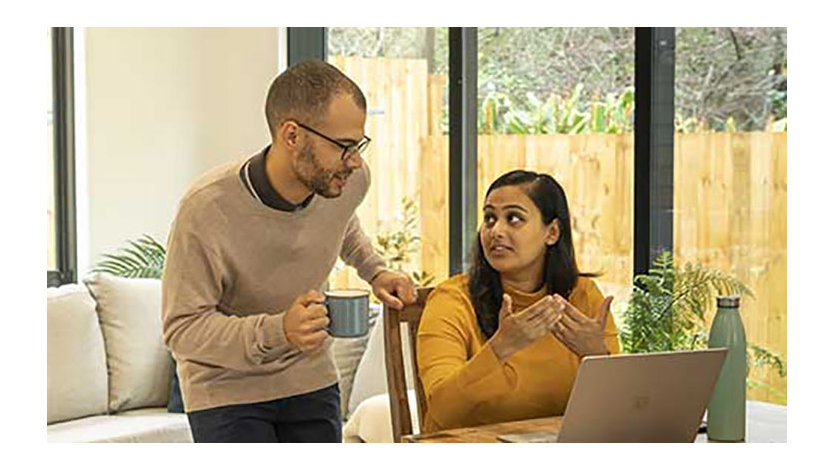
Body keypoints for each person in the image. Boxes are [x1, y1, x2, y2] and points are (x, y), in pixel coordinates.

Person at [162, 59, 417, 443]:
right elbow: (183, 329)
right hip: (225, 390)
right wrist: (278, 330)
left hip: (310, 379)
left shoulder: (346, 182)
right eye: (344, 146)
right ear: (292, 135)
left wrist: (376, 271)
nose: (356, 161)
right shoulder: (206, 210)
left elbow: (340, 222)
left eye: (359, 144)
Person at [416, 169, 620, 432]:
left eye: (513, 218)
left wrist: (597, 356)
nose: (496, 231)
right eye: (489, 219)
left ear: (553, 232)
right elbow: (441, 409)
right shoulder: (451, 301)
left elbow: (618, 413)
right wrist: (500, 348)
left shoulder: (584, 296)